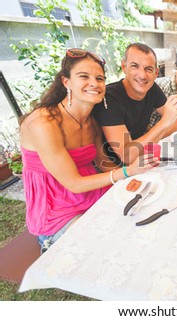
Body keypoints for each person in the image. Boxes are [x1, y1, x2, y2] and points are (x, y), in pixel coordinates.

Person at [19, 48, 154, 253]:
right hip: (57, 210)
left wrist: (130, 179)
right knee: (109, 245)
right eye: (84, 76)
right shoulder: (43, 122)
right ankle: (49, 243)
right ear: (66, 82)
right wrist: (126, 172)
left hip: (92, 192)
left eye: (99, 78)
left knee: (142, 210)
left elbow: (102, 162)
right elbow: (73, 183)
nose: (94, 83)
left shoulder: (91, 120)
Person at [93, 43, 177, 165]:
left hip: (141, 158)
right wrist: (163, 125)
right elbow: (127, 156)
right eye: (135, 66)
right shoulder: (110, 98)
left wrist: (148, 140)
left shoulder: (151, 88)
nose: (142, 75)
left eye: (148, 69)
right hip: (113, 166)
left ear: (156, 73)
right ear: (124, 67)